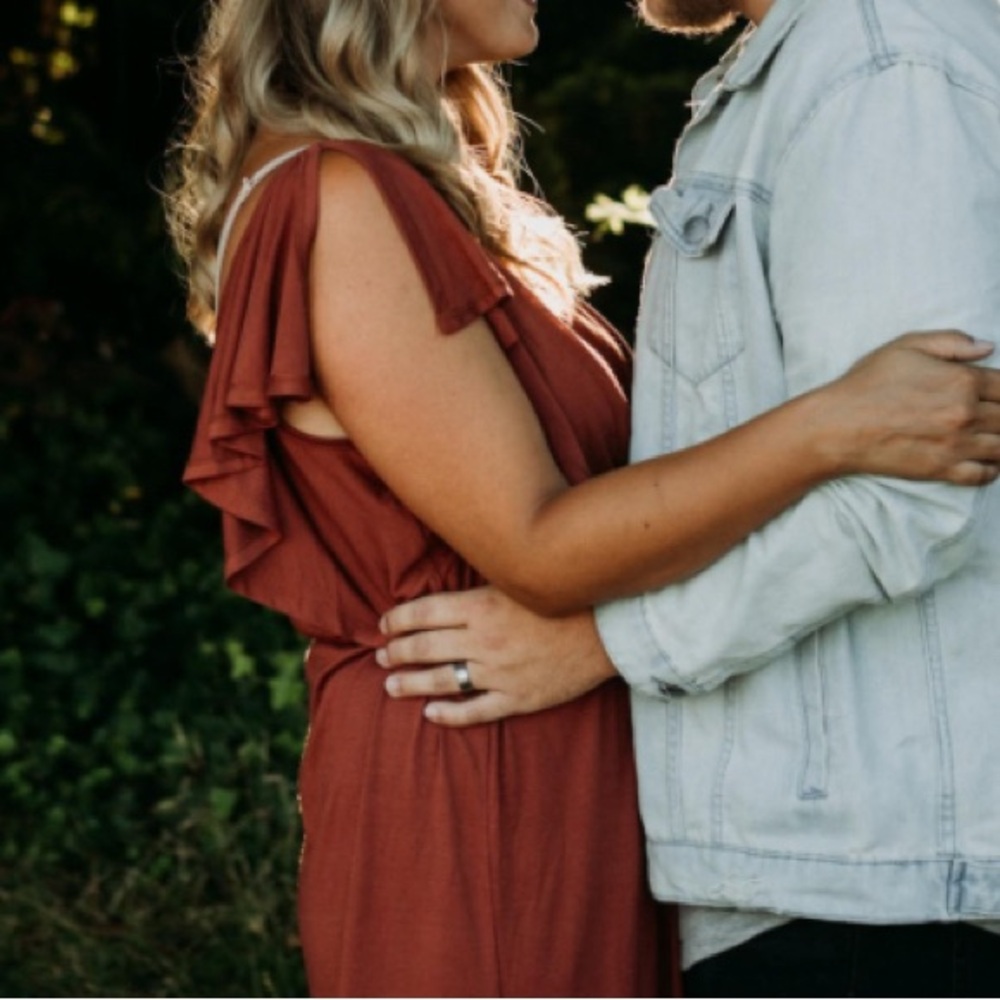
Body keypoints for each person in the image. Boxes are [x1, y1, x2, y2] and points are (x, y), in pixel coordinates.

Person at [166, 0, 1000, 995]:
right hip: (475, 775)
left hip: (557, 765)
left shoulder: (410, 186)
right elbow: (537, 546)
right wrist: (830, 426)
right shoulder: (336, 196)